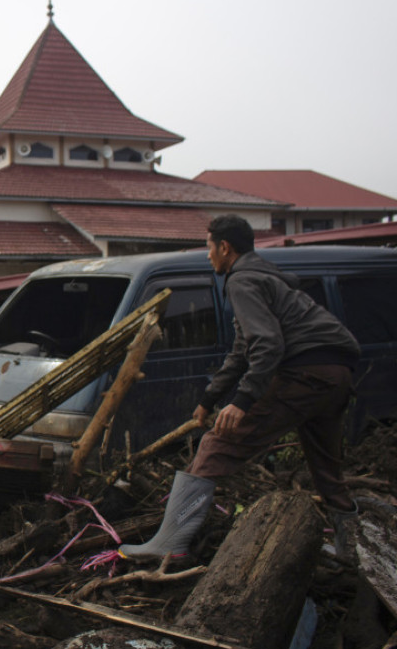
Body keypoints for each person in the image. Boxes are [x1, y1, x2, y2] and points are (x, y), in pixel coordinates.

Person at [119, 214, 361, 563]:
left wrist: (242, 402)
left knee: (217, 443)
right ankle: (350, 550)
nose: (208, 256)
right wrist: (209, 399)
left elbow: (267, 344)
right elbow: (241, 349)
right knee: (325, 465)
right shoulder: (265, 277)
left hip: (303, 373)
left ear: (224, 247)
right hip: (336, 374)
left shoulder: (242, 281)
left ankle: (170, 542)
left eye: (209, 247)